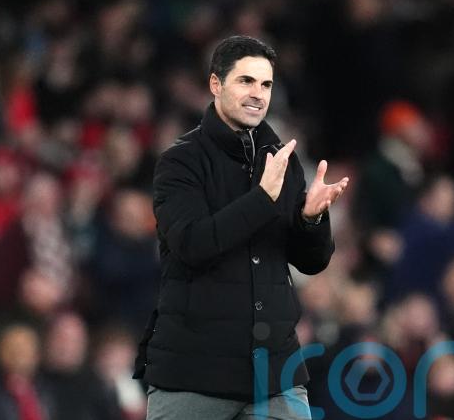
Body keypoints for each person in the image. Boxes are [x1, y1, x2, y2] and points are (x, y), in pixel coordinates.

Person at [133, 35, 349, 419]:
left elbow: (310, 262)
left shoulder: (281, 160)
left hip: (275, 375)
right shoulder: (180, 162)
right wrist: (262, 198)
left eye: (266, 84)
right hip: (193, 374)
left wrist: (312, 218)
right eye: (246, 81)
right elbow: (192, 244)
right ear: (215, 84)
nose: (258, 94)